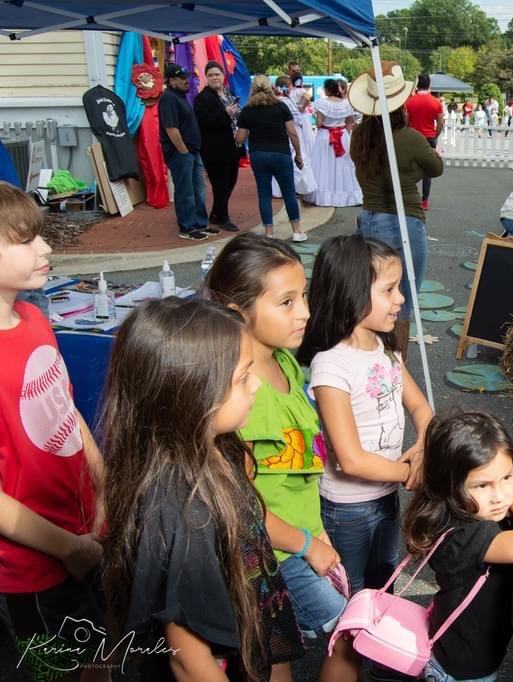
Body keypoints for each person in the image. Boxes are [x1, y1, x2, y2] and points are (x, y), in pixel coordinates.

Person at [100, 298, 305, 680]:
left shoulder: (222, 448)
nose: (257, 383)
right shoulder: (182, 511)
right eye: (243, 377)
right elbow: (190, 662)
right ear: (192, 393)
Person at [205, 234, 360, 680]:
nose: (306, 313)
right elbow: (242, 507)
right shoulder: (239, 399)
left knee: (279, 650)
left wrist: (315, 535)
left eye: (304, 296)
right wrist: (307, 546)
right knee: (347, 633)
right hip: (273, 553)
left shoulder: (287, 364)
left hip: (301, 540)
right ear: (238, 312)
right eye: (287, 302)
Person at [0, 185, 107, 682]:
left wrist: (99, 476)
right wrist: (69, 548)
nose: (45, 248)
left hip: (85, 529)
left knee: (103, 655)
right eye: (25, 240)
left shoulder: (35, 318)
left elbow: (60, 406)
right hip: (35, 568)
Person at [297, 235, 433, 594]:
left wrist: (421, 447)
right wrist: (410, 473)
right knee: (351, 592)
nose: (401, 298)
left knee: (382, 581)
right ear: (352, 293)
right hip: (348, 509)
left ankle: (375, 648)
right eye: (390, 289)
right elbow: (351, 460)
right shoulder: (331, 365)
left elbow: (420, 407)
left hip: (386, 494)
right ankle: (348, 651)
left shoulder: (383, 348)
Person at [401, 412, 513, 682]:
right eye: (482, 485)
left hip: (471, 652)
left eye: (507, 478)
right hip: (461, 666)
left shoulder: (481, 505)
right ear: (448, 484)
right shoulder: (463, 535)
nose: (499, 495)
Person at [349, 62, 443, 350]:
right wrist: (413, 171)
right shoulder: (410, 138)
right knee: (403, 297)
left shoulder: (359, 136)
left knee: (373, 293)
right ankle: (398, 363)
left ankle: (370, 355)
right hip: (405, 219)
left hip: (369, 217)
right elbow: (435, 168)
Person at [236, 75, 307, 241]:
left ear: (252, 89)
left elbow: (240, 138)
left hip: (258, 154)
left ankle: (269, 232)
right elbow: (292, 132)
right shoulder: (280, 107)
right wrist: (299, 154)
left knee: (264, 193)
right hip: (281, 153)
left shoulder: (247, 110)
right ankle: (297, 231)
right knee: (289, 192)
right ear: (271, 88)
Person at [159, 63, 211, 241]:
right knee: (185, 190)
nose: (186, 81)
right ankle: (187, 226)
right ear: (172, 80)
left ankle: (200, 223)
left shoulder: (181, 97)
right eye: (182, 78)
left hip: (193, 151)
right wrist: (183, 151)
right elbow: (171, 128)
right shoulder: (168, 99)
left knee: (199, 189)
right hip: (181, 153)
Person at [193, 60, 241, 231]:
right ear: (206, 77)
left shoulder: (228, 93)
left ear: (223, 76)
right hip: (214, 149)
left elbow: (237, 116)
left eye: (217, 74)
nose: (214, 78)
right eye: (211, 75)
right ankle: (223, 217)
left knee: (231, 182)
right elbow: (205, 122)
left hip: (233, 146)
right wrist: (225, 113)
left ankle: (215, 213)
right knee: (220, 184)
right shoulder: (202, 98)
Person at [308, 78, 362, 207]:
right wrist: (345, 133)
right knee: (343, 165)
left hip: (325, 136)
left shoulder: (321, 103)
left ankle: (324, 195)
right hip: (342, 135)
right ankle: (347, 194)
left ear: (327, 90)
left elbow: (319, 123)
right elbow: (350, 121)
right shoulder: (346, 104)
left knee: (324, 164)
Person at [405, 74, 444, 211]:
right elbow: (440, 123)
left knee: (410, 167)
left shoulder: (409, 102)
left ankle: (410, 197)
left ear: (417, 85)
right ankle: (425, 200)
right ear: (429, 85)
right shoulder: (436, 102)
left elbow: (406, 121)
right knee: (427, 171)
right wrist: (435, 135)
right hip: (429, 137)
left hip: (413, 137)